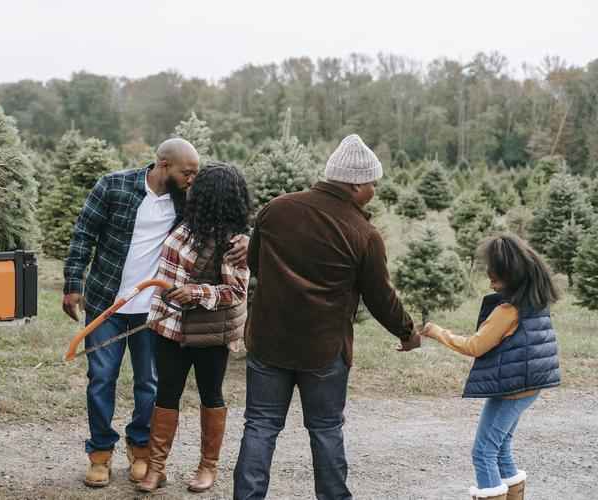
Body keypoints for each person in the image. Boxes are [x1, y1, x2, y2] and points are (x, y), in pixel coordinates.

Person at [233, 134, 421, 500]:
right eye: (372, 183)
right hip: (324, 349)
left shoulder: (276, 209)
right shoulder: (364, 234)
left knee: (260, 426)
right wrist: (407, 332)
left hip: (268, 342)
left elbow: (254, 264)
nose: (375, 190)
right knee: (326, 430)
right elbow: (380, 296)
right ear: (354, 185)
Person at [63, 139, 249, 487]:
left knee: (149, 383)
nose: (193, 179)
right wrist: (73, 284)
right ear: (164, 165)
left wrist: (248, 238)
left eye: (196, 174)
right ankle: (100, 454)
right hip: (109, 301)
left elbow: (226, 212)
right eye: (187, 172)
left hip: (155, 310)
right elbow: (83, 234)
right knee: (101, 379)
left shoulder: (187, 199)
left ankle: (141, 449)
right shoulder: (113, 186)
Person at [136, 163, 251, 494]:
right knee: (166, 393)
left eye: (197, 186)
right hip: (169, 326)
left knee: (210, 394)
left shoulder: (234, 243)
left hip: (208, 332)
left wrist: (196, 292)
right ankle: (156, 468)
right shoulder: (186, 225)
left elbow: (236, 293)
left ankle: (207, 467)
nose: (190, 187)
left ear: (211, 196)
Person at [420, 234, 561, 500]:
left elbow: (474, 346)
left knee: (483, 450)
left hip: (513, 388)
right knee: (502, 445)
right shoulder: (534, 300)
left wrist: (436, 331)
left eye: (495, 278)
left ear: (512, 276)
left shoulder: (508, 311)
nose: (491, 283)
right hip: (528, 385)